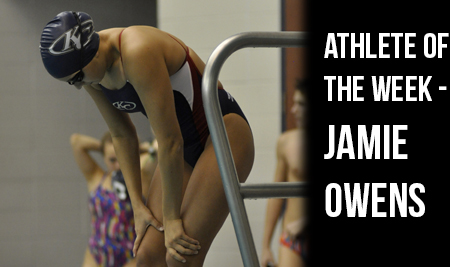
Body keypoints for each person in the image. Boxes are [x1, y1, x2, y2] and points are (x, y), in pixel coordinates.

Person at [41, 11, 254, 267]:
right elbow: (122, 135)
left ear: (91, 52)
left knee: (180, 256)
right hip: (182, 148)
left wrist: (172, 219)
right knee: (147, 257)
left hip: (222, 133)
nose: (78, 85)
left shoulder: (136, 49)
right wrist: (137, 207)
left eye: (76, 78)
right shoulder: (92, 75)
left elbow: (170, 140)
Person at [71, 132, 157, 267]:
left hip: (129, 256)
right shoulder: (96, 178)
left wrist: (135, 148)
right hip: (97, 254)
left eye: (122, 159)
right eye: (112, 159)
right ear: (104, 157)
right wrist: (109, 145)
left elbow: (158, 151)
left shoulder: (141, 180)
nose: (118, 165)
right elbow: (76, 141)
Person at [260, 79, 308, 267]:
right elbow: (276, 196)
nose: (294, 110)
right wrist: (265, 246)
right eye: (294, 103)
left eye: (301, 104)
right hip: (292, 240)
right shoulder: (286, 142)